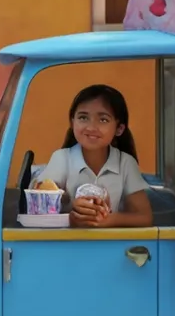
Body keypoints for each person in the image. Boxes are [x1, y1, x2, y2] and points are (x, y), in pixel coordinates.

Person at [36, 84, 154, 229]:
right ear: (72, 122)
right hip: (67, 247)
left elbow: (144, 217)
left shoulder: (126, 163)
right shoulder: (61, 158)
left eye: (103, 120)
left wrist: (108, 220)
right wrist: (72, 214)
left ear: (119, 129)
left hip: (111, 247)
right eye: (83, 117)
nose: (91, 127)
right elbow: (40, 207)